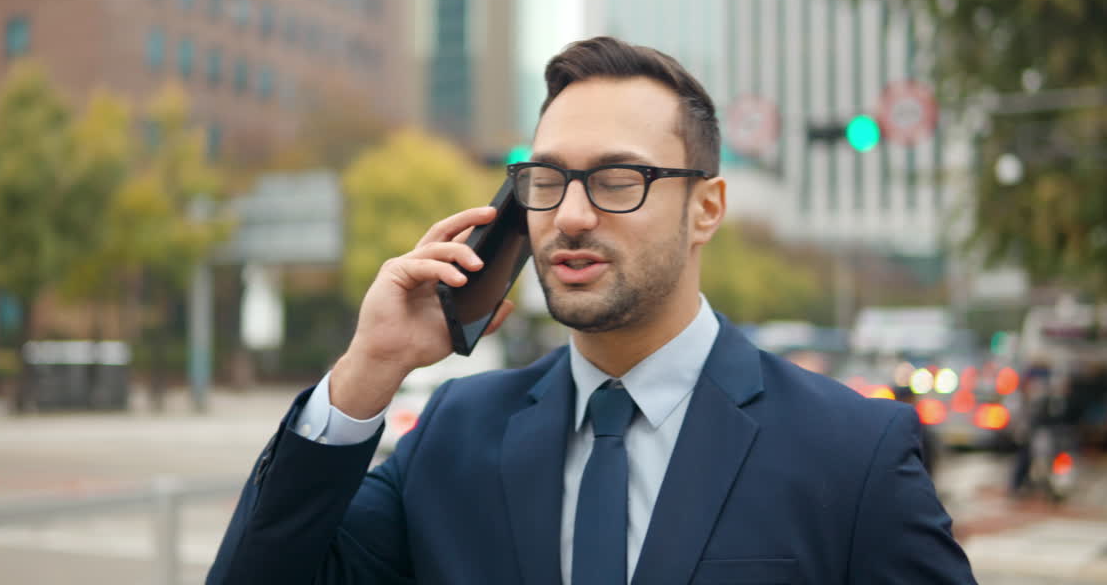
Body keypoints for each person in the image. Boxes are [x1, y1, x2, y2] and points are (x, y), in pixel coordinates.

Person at [207, 37, 976, 585]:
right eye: (546, 179)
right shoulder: (456, 434)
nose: (570, 215)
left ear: (706, 208)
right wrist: (367, 370)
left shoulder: (850, 450)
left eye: (617, 180)